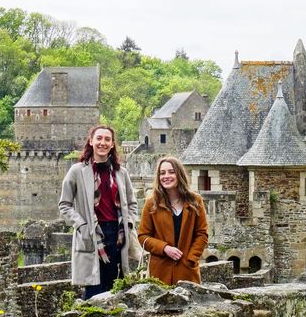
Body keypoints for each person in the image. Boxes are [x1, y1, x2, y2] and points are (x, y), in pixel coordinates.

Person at [59, 125, 137, 298]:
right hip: (92, 233)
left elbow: (132, 203)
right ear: (91, 141)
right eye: (99, 138)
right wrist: (82, 226)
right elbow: (64, 204)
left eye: (107, 139)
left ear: (112, 144)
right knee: (94, 291)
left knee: (117, 288)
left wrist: (129, 223)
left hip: (118, 236)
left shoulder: (120, 173)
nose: (103, 143)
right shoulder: (77, 171)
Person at [138, 156, 208, 285]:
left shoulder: (195, 201)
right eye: (162, 173)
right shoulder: (151, 203)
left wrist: (191, 258)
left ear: (179, 174)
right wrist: (164, 248)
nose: (166, 176)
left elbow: (202, 234)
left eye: (171, 172)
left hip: (186, 270)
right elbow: (143, 237)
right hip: (160, 272)